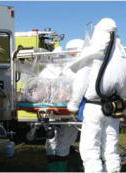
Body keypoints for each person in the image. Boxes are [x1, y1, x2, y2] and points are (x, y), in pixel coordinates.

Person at [67, 18, 126, 173]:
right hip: (114, 109)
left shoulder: (92, 54)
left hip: (93, 107)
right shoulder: (125, 60)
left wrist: (73, 105)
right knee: (111, 148)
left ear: (97, 32)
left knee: (90, 148)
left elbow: (81, 82)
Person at [44, 41, 83, 173]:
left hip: (67, 108)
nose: (58, 61)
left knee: (62, 141)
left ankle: (58, 169)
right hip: (55, 108)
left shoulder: (71, 68)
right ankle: (54, 169)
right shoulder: (49, 70)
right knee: (53, 140)